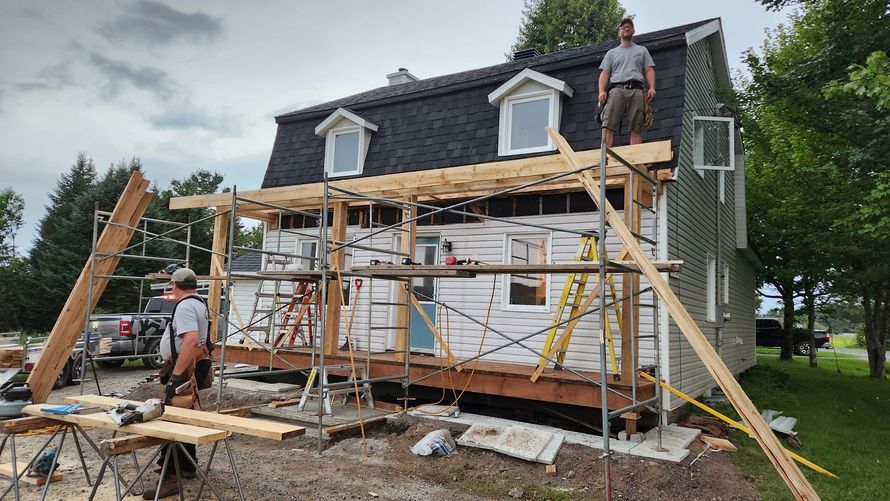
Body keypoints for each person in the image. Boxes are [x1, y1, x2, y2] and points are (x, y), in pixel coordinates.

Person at [144, 267, 212, 499]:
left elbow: (191, 341)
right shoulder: (198, 302)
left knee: (172, 420)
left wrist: (177, 375)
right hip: (194, 365)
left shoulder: (184, 306)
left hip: (185, 368)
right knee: (185, 416)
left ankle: (170, 478)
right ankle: (187, 465)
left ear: (175, 286)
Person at [597, 17, 656, 147]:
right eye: (623, 27)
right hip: (616, 89)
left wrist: (652, 87)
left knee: (636, 127)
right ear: (619, 33)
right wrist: (601, 91)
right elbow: (605, 73)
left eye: (629, 26)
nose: (626, 28)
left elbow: (649, 70)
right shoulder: (611, 53)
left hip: (636, 89)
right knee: (608, 125)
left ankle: (634, 162)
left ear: (633, 30)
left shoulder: (642, 50)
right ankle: (606, 159)